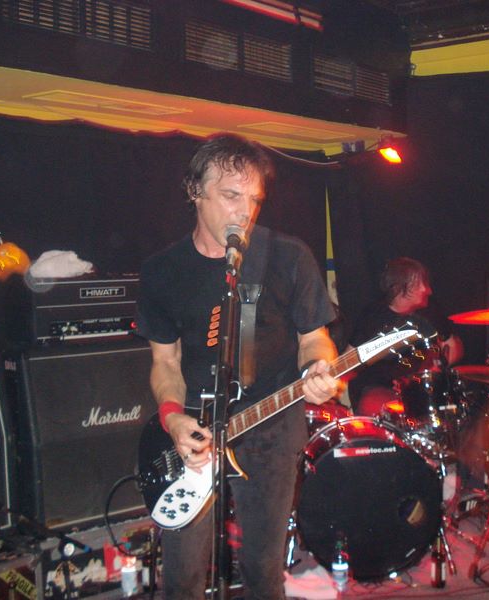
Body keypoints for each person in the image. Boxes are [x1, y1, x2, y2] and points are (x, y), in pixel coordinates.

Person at [136, 133, 340, 599]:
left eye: (254, 199)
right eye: (231, 195)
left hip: (272, 419)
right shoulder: (163, 271)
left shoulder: (288, 256)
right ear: (195, 190)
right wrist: (172, 418)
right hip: (196, 429)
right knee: (183, 576)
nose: (245, 211)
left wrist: (318, 368)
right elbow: (165, 361)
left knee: (264, 569)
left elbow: (315, 338)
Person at [347, 257, 463, 418]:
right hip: (379, 389)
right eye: (419, 284)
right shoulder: (372, 316)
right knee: (376, 405)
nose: (427, 290)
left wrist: (436, 367)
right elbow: (350, 360)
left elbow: (454, 347)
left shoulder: (430, 311)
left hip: (420, 388)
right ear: (399, 288)